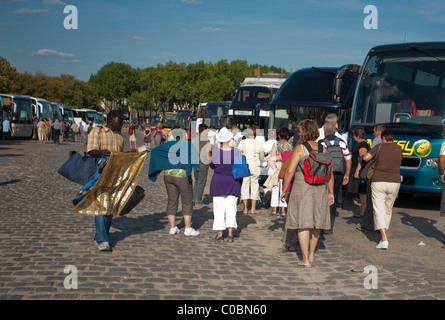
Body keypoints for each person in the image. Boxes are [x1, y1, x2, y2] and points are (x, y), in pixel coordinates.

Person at [281, 119, 334, 267]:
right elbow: (330, 174)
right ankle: (311, 254)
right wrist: (331, 192)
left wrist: (284, 190)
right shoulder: (324, 149)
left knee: (303, 224)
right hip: (321, 189)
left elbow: (290, 171)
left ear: (303, 132)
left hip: (302, 188)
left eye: (300, 130)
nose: (299, 133)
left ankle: (304, 260)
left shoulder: (300, 149)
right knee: (316, 223)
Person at [87, 110, 125, 251]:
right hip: (99, 174)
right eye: (119, 120)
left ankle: (101, 235)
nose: (122, 123)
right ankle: (103, 240)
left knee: (109, 207)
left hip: (114, 176)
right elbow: (91, 151)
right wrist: (104, 152)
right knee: (101, 205)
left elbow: (120, 156)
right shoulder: (97, 132)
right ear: (111, 120)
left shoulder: (120, 138)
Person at [362, 129, 402, 250]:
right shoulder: (399, 148)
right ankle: (384, 236)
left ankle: (384, 239)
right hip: (395, 181)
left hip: (379, 180)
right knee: (388, 209)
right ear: (393, 139)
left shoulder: (379, 146)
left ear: (383, 138)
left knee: (379, 208)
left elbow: (366, 158)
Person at [162, 126, 200, 237]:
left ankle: (173, 227)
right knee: (187, 201)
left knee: (172, 201)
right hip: (181, 175)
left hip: (168, 174)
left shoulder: (167, 145)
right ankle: (188, 228)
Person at [209, 127, 241, 242]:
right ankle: (230, 233)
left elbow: (212, 166)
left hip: (218, 182)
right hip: (233, 182)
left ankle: (220, 233)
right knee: (231, 208)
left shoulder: (216, 152)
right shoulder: (236, 152)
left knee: (219, 209)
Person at [320, 121, 351, 234]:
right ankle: (329, 226)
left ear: (324, 132)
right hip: (338, 173)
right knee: (333, 198)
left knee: (322, 198)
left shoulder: (321, 143)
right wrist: (347, 174)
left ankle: (321, 224)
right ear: (335, 132)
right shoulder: (342, 142)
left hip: (324, 173)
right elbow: (348, 159)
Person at [238, 124, 265, 215]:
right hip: (256, 166)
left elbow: (238, 154)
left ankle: (245, 208)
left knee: (244, 186)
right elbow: (262, 157)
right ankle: (253, 208)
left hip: (245, 167)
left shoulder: (242, 142)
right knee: (255, 187)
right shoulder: (259, 144)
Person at [268, 127, 292, 216]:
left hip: (277, 166)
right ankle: (283, 209)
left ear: (278, 135)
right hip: (287, 167)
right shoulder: (290, 145)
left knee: (275, 188)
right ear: (287, 136)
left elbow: (272, 156)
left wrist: (274, 168)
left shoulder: (276, 144)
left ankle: (274, 209)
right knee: (285, 188)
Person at [351, 126, 370, 217]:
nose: (353, 136)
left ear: (357, 135)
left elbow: (361, 159)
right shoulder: (361, 144)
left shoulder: (362, 145)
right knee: (360, 191)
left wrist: (357, 170)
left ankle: (363, 210)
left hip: (361, 170)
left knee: (362, 191)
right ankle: (363, 209)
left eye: (354, 134)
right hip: (359, 169)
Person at [193, 123, 211, 205]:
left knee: (196, 181)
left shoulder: (194, 139)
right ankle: (198, 200)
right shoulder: (206, 141)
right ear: (204, 130)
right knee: (202, 182)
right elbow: (209, 153)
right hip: (203, 163)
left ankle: (194, 198)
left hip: (195, 161)